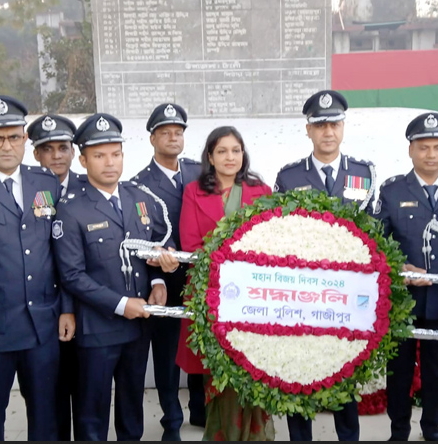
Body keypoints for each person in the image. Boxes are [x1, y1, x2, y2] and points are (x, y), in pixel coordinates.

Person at [52, 113, 180, 441]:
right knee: (92, 415)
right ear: (83, 160)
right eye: (99, 155)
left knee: (131, 409)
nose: (110, 163)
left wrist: (159, 281)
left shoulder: (140, 198)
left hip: (138, 330)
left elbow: (154, 246)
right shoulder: (71, 208)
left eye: (116, 153)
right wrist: (123, 304)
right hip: (98, 330)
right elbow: (72, 275)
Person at [274, 90, 374, 441]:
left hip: (347, 298)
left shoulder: (364, 174)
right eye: (320, 125)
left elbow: (375, 233)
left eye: (334, 123)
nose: (328, 131)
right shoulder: (289, 178)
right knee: (299, 370)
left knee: (343, 370)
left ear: (343, 127)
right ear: (308, 130)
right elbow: (278, 235)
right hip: (303, 297)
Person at [374, 112, 438, 441]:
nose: (431, 154)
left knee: (437, 370)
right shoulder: (391, 191)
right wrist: (400, 269)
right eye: (424, 147)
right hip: (402, 300)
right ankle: (398, 430)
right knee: (399, 370)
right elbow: (378, 244)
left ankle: (432, 429)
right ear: (411, 151)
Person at [176, 125, 273, 441]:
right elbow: (191, 244)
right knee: (221, 374)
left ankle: (256, 435)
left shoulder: (262, 191)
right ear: (210, 157)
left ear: (243, 154)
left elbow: (272, 244)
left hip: (254, 298)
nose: (230, 157)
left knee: (253, 369)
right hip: (213, 297)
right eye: (222, 151)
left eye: (236, 150)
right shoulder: (194, 191)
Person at [132, 103, 204, 441]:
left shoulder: (201, 172)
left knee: (202, 345)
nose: (173, 138)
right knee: (167, 355)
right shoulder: (138, 186)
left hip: (202, 279)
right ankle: (171, 422)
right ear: (152, 139)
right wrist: (157, 270)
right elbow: (137, 237)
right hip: (165, 280)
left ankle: (201, 410)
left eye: (178, 132)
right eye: (165, 132)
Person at [0, 96, 65, 441]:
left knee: (45, 416)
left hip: (41, 325)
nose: (6, 145)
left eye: (13, 136)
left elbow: (60, 252)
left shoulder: (46, 183)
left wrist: (64, 309)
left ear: (25, 140)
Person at [27, 113, 86, 441]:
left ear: (73, 151)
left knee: (84, 385)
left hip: (83, 305)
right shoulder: (26, 192)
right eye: (47, 149)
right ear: (36, 153)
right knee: (48, 390)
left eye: (63, 147)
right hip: (43, 308)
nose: (56, 156)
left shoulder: (87, 187)